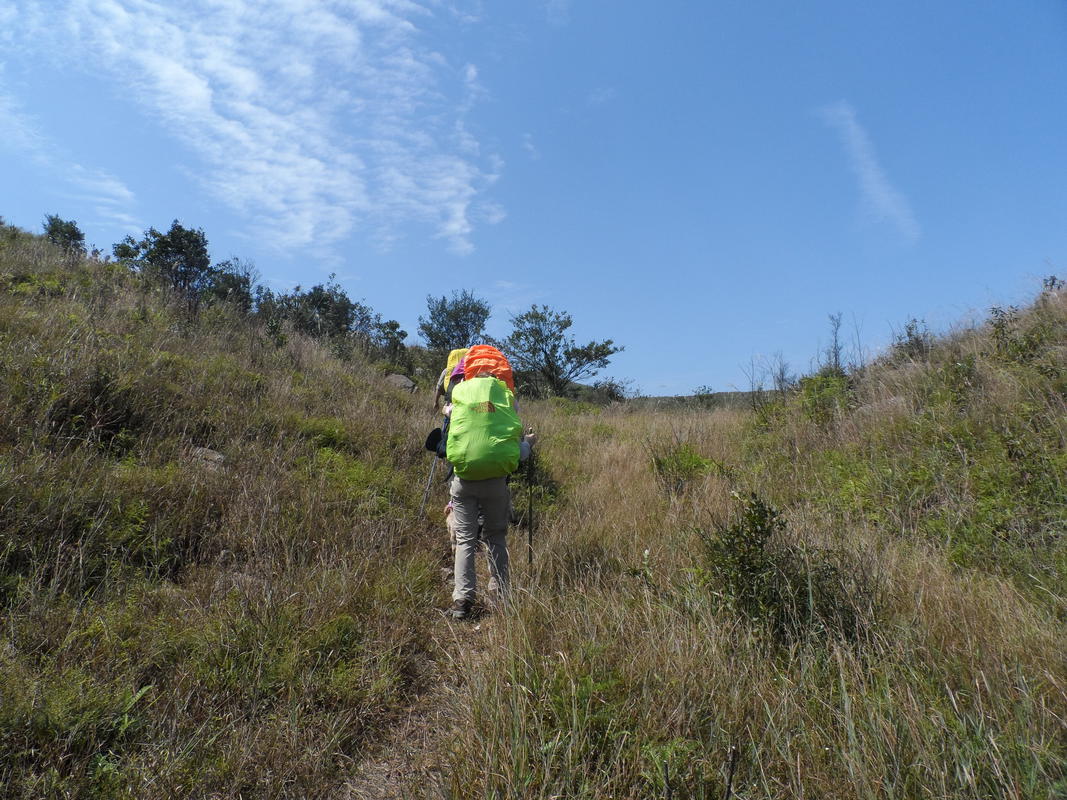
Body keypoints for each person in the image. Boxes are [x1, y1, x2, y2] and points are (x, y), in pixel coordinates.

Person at [440, 346, 533, 619]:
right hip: (496, 481)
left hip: (464, 478)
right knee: (496, 537)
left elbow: (450, 415)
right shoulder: (506, 398)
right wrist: (529, 443)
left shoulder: (460, 395)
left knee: (466, 539)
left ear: (469, 370)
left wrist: (447, 411)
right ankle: (501, 596)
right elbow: (517, 449)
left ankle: (462, 602)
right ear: (500, 372)